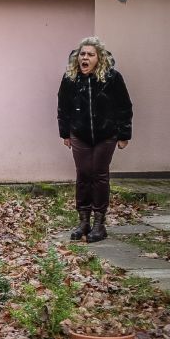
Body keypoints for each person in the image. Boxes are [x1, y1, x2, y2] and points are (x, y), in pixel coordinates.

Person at [57, 36, 133, 243]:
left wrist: (124, 134)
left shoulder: (112, 78)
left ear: (99, 58)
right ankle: (83, 222)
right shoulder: (70, 78)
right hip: (79, 134)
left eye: (90, 54)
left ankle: (99, 224)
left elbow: (124, 106)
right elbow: (63, 107)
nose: (85, 58)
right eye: (82, 54)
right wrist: (65, 133)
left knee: (99, 175)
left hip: (106, 134)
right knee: (83, 174)